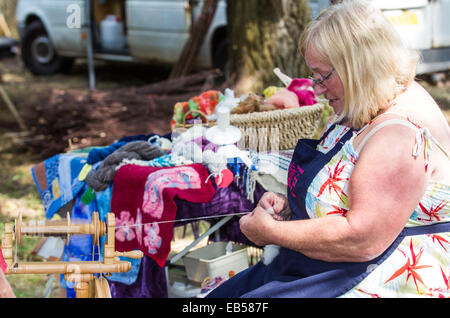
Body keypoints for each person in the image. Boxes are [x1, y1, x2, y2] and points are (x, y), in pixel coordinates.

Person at [206, 0, 450, 298]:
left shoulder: (398, 133)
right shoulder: (365, 102)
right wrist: (290, 207)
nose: (317, 88)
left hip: (377, 278)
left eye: (324, 76)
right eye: (314, 76)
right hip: (324, 267)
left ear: (358, 66)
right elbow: (349, 192)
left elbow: (362, 239)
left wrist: (271, 233)